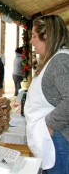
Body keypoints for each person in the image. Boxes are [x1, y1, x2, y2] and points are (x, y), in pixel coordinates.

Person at [25, 15, 69, 173]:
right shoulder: (54, 59)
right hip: (53, 137)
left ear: (47, 37)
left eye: (34, 36)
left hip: (59, 139)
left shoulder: (60, 61)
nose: (31, 41)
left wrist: (50, 125)